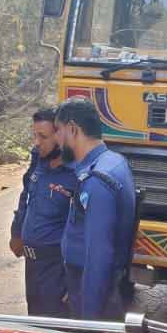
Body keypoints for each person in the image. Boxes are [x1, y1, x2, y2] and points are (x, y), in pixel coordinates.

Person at [55, 97, 138, 321]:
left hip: (97, 297)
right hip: (88, 285)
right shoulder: (112, 161)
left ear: (73, 129)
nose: (57, 139)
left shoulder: (97, 181)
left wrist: (89, 320)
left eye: (58, 130)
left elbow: (98, 256)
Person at [10, 108, 77, 315]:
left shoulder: (77, 173)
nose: (37, 142)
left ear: (61, 135)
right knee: (34, 322)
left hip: (57, 270)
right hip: (32, 266)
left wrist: (74, 282)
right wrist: (17, 232)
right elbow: (26, 195)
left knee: (54, 326)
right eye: (34, 135)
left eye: (43, 137)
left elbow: (84, 231)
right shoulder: (38, 159)